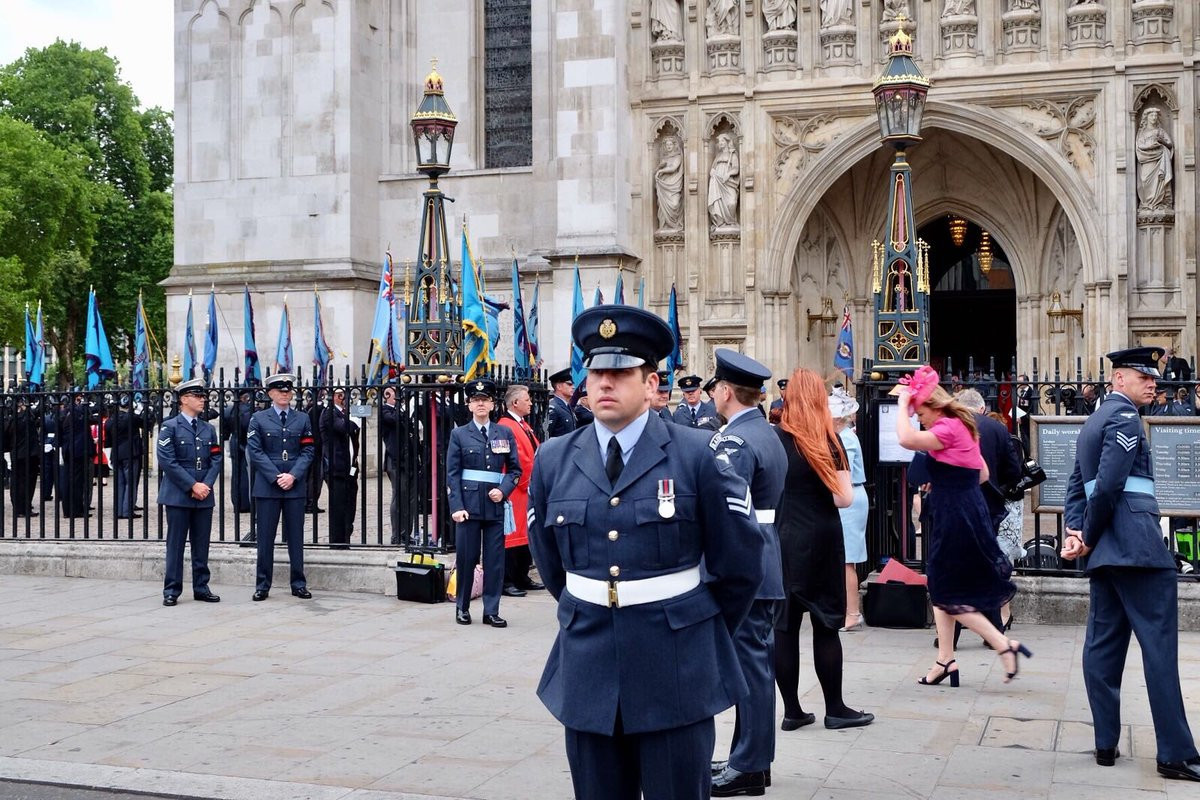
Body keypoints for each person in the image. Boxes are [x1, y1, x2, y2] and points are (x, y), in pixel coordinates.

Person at [527, 304, 764, 800]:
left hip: (675, 668)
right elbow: (552, 564)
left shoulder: (698, 454)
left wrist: (700, 632)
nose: (605, 383)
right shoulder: (554, 458)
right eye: (596, 372)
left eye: (620, 372)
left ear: (652, 383)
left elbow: (739, 565)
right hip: (588, 665)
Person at [1062, 347, 1200, 780]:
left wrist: (1076, 530)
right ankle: (1175, 754)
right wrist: (1087, 534)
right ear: (1119, 379)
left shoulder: (1093, 422)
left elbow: (1074, 484)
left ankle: (1106, 743)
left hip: (1107, 556)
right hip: (1137, 550)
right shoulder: (1123, 418)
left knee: (1102, 649)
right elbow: (1106, 487)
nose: (1153, 382)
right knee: (1159, 651)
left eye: (1153, 376)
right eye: (1144, 376)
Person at [894, 366, 1030, 688]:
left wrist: (902, 405)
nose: (919, 419)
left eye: (920, 412)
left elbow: (905, 439)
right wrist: (945, 478)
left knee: (945, 592)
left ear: (934, 405)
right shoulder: (962, 426)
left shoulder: (948, 427)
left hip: (956, 516)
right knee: (941, 586)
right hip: (965, 511)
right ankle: (945, 659)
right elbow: (981, 474)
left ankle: (1002, 644)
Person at [773, 369, 874, 736]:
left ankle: (792, 711)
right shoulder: (826, 441)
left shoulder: (774, 438)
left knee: (783, 629)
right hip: (821, 538)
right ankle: (835, 708)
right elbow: (843, 497)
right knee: (825, 626)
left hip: (783, 538)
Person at [706, 350, 789, 798]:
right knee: (753, 664)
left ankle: (750, 764)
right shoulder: (764, 431)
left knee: (751, 669)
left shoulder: (735, 441)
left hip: (747, 565)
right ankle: (749, 757)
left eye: (715, 387)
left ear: (724, 391)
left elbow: (728, 512)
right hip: (765, 559)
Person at [447, 378, 521, 627]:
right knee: (467, 558)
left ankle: (491, 610)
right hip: (468, 506)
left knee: (495, 560)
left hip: (495, 505)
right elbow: (452, 474)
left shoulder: (504, 432)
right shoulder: (459, 434)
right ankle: (463, 607)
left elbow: (514, 470)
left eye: (485, 400)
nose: (480, 404)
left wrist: (504, 490)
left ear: (492, 404)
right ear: (469, 405)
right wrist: (456, 507)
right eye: (475, 400)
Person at [246, 373, 316, 601]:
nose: (284, 394)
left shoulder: (302, 419)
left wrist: (293, 475)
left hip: (294, 485)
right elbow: (255, 452)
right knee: (265, 537)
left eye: (288, 391)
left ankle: (298, 583)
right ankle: (263, 584)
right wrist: (277, 476)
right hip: (268, 486)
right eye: (279, 391)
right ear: (270, 394)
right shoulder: (258, 418)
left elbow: (308, 450)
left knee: (296, 537)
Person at [156, 379, 222, 606]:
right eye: (198, 396)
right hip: (179, 494)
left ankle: (201, 587)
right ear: (184, 399)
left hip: (204, 493)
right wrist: (192, 485)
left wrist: (206, 485)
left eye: (203, 396)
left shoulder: (208, 428)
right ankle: (172, 589)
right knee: (175, 544)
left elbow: (216, 458)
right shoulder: (169, 426)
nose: (203, 400)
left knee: (201, 543)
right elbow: (167, 461)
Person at [497, 384, 544, 597]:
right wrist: (529, 482)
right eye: (527, 399)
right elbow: (518, 459)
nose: (531, 402)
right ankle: (507, 580)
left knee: (525, 535)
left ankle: (522, 576)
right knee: (511, 537)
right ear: (515, 403)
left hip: (526, 488)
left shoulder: (522, 424)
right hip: (516, 488)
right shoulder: (505, 425)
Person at [828, 387, 867, 633]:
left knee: (847, 560)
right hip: (848, 494)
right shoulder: (842, 436)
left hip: (850, 495)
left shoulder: (845, 438)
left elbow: (845, 471)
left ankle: (852, 613)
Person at [320, 387, 360, 549]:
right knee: (338, 507)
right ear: (334, 397)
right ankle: (337, 541)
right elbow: (345, 428)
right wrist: (354, 419)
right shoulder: (329, 413)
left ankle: (345, 537)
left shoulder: (343, 413)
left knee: (350, 505)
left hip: (350, 467)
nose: (344, 398)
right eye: (340, 395)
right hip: (336, 467)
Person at [58, 391, 100, 518]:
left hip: (67, 449)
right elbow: (93, 418)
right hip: (79, 450)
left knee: (67, 480)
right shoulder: (79, 411)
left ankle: (68, 509)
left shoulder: (63, 412)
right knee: (77, 481)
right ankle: (76, 509)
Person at [380, 384, 412, 545]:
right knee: (398, 495)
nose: (399, 396)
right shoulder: (385, 410)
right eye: (396, 393)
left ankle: (407, 532)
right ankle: (397, 534)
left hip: (407, 459)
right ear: (387, 394)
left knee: (409, 497)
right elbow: (394, 420)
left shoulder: (400, 410)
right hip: (395, 459)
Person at [105, 395, 146, 520]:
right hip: (130, 453)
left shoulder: (111, 420)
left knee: (120, 483)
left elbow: (107, 440)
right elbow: (146, 423)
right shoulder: (132, 417)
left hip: (116, 453)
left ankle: (118, 510)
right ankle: (127, 510)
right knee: (130, 482)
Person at [6, 393, 42, 517]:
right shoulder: (26, 418)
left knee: (16, 482)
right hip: (29, 454)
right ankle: (24, 507)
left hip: (16, 453)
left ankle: (18, 507)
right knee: (27, 483)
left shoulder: (10, 420)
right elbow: (34, 417)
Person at [222, 387, 255, 515]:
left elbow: (224, 432)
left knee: (236, 473)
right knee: (248, 472)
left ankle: (238, 501)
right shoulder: (249, 409)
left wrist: (226, 447)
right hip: (247, 442)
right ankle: (247, 501)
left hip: (234, 441)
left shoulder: (228, 410)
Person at [546, 368, 577, 438]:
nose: (573, 387)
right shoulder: (553, 408)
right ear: (559, 387)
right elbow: (547, 435)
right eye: (569, 384)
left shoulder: (567, 406)